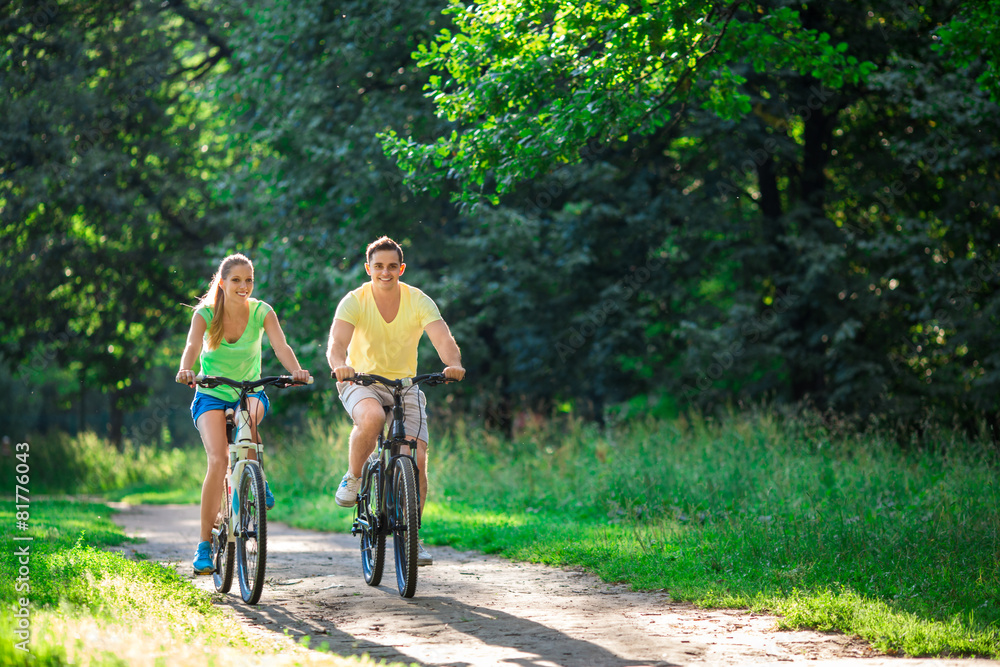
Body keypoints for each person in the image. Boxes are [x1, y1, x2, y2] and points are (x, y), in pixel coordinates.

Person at [327, 236, 465, 566]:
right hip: (360, 381)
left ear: (401, 268)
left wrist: (454, 364)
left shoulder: (418, 300)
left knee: (416, 455)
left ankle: (412, 535)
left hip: (406, 385)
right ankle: (354, 475)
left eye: (392, 266)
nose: (385, 272)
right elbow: (336, 344)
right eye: (378, 266)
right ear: (368, 269)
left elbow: (443, 338)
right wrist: (340, 366)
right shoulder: (354, 300)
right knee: (372, 419)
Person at [177, 253, 310, 575]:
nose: (244, 286)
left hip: (250, 391)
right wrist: (186, 369)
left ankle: (255, 477)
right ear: (222, 283)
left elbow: (281, 347)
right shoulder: (205, 314)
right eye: (236, 280)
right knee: (219, 460)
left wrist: (295, 371)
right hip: (210, 392)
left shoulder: (262, 312)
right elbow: (192, 347)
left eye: (249, 280)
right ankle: (204, 545)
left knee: (245, 420)